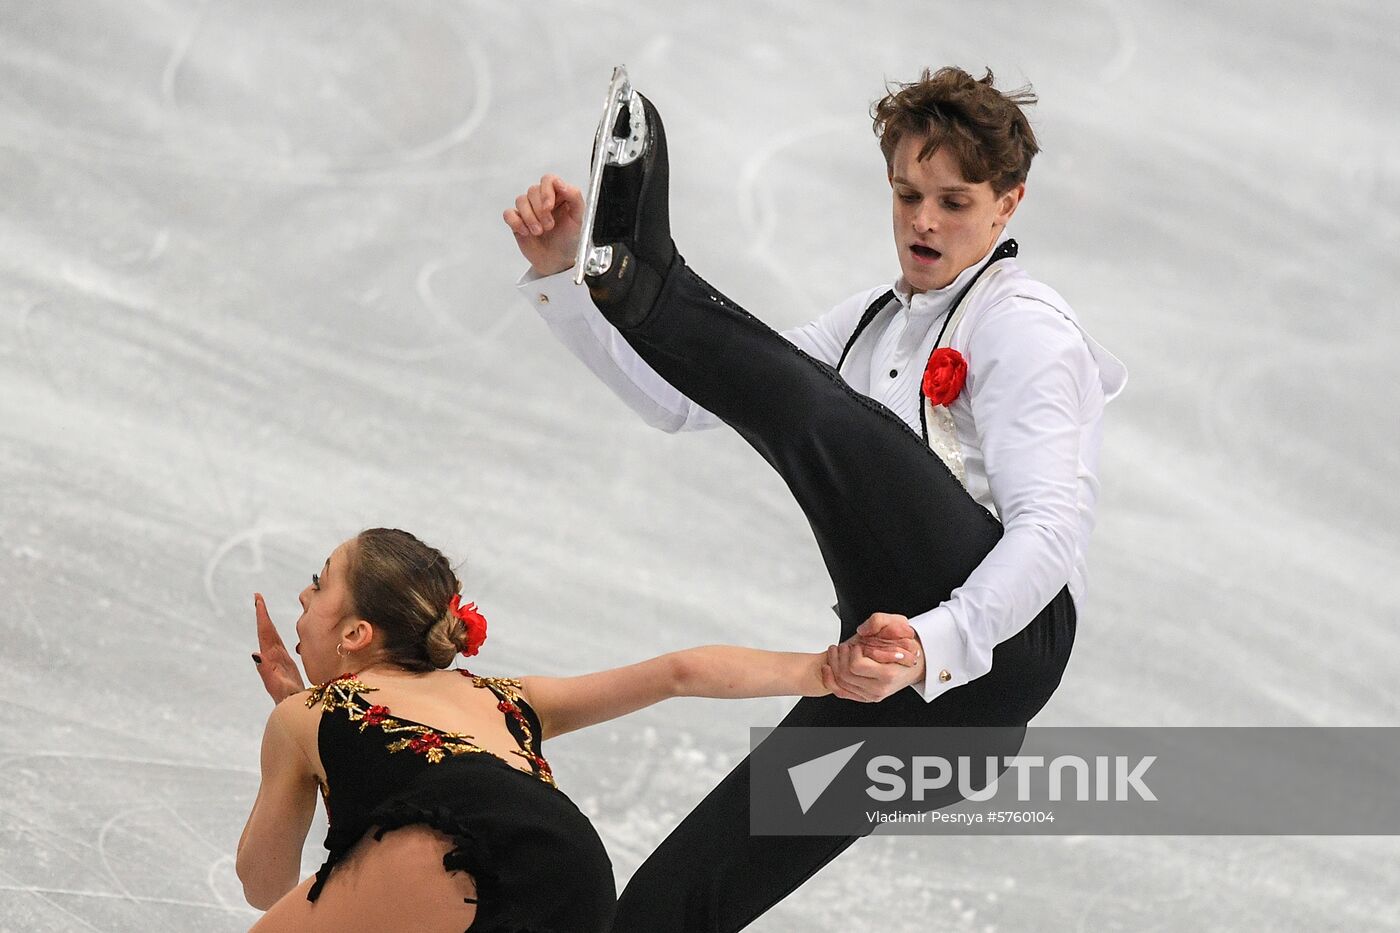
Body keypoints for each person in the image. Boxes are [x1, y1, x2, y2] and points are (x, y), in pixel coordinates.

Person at [503, 66, 1127, 930]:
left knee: (831, 421)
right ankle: (638, 285)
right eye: (908, 192)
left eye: (953, 200)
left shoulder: (1023, 327)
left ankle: (654, 282)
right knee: (670, 904)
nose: (923, 219)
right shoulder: (873, 319)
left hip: (999, 653)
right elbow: (687, 399)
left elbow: (1052, 532)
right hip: (898, 695)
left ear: (1007, 205)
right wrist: (565, 279)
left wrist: (932, 641)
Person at [237, 527, 917, 932]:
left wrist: (292, 729)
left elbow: (266, 884)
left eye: (318, 584)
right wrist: (826, 669)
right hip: (577, 871)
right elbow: (678, 671)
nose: (302, 597)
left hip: (455, 842)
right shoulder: (503, 697)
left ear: (357, 633)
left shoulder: (307, 716)